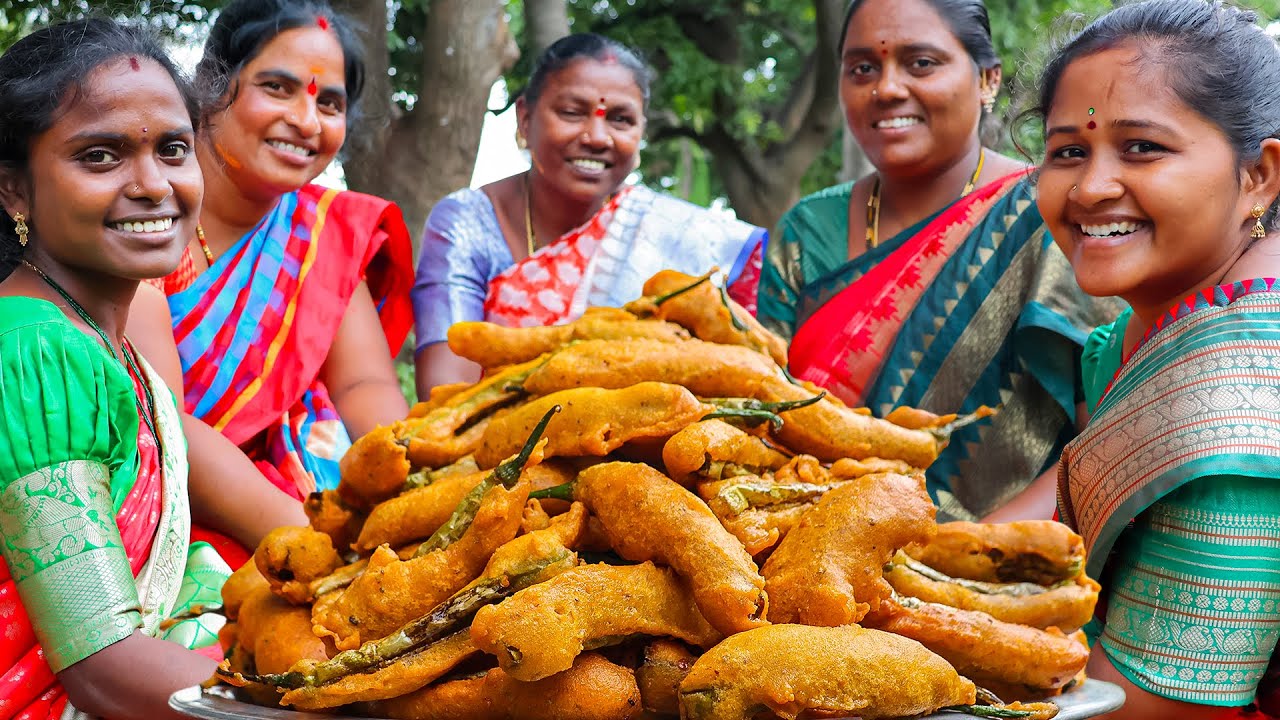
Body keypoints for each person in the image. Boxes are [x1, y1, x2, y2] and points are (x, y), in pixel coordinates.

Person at [758, 0, 1121, 521]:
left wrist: (963, 552)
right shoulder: (806, 229)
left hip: (989, 576)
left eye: (920, 63)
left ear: (987, 80)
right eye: (863, 68)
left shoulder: (1048, 213)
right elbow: (761, 407)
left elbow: (1106, 434)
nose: (886, 88)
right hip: (802, 555)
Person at [1039, 2, 1280, 717]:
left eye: (1142, 147)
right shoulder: (1139, 335)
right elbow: (1065, 491)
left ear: (1260, 177)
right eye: (1067, 151)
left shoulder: (1239, 415)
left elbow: (1144, 708)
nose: (1089, 187)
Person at [0, 18, 244, 719]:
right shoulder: (37, 354)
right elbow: (103, 669)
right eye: (100, 156)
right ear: (14, 190)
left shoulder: (96, 341)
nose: (152, 185)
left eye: (173, 149)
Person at [142, 0, 415, 508]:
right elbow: (157, 426)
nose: (307, 121)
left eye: (329, 103)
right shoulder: (144, 207)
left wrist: (408, 487)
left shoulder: (322, 233)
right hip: (159, 501)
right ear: (214, 82)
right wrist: (300, 536)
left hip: (297, 497)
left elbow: (363, 385)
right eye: (277, 88)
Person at [412, 33, 767, 396]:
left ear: (642, 130)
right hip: (491, 446)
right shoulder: (469, 222)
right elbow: (447, 393)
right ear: (524, 119)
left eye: (621, 119)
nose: (597, 136)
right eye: (571, 112)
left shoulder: (681, 237)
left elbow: (737, 379)